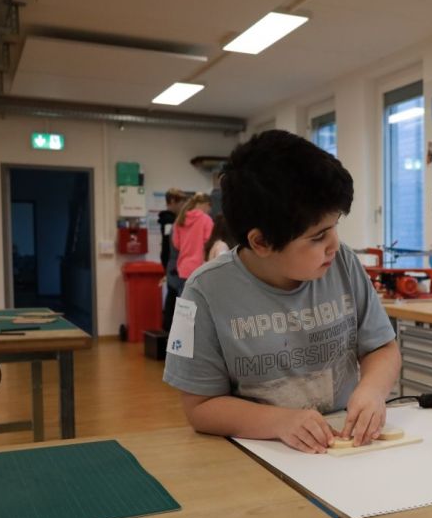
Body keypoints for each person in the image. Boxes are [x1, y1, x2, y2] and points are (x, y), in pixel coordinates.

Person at [163, 130, 401, 453]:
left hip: (344, 449)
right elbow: (200, 407)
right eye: (317, 237)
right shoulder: (204, 292)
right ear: (261, 242)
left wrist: (372, 390)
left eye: (335, 226)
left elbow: (382, 347)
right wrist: (279, 422)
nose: (334, 244)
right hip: (261, 454)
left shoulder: (343, 263)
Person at [160, 189, 186, 331]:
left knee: (172, 295)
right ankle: (168, 329)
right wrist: (168, 266)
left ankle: (168, 329)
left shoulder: (173, 221)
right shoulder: (169, 221)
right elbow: (167, 247)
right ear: (172, 202)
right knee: (173, 296)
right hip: (172, 263)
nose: (183, 206)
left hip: (171, 263)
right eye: (181, 202)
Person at [172, 192, 214, 282]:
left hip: (183, 268)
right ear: (207, 204)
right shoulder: (206, 220)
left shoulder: (180, 220)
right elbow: (209, 243)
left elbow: (176, 244)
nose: (209, 211)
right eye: (210, 208)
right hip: (200, 269)